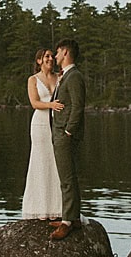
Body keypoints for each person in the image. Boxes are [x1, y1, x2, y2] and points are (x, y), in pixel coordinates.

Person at [48, 39, 86, 239]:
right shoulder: (66, 76)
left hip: (65, 133)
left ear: (65, 52)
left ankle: (67, 222)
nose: (55, 56)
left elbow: (78, 106)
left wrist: (69, 131)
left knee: (67, 179)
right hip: (59, 131)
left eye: (57, 52)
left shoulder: (74, 76)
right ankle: (72, 217)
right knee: (67, 176)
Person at [21, 47, 65, 221]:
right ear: (39, 60)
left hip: (56, 123)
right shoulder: (33, 79)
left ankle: (57, 208)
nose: (50, 59)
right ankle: (37, 208)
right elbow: (34, 103)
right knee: (40, 160)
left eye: (51, 56)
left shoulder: (59, 77)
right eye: (46, 56)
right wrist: (51, 105)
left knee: (56, 161)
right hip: (40, 123)